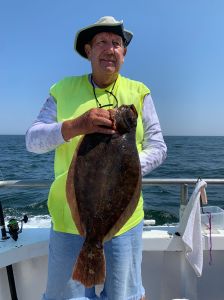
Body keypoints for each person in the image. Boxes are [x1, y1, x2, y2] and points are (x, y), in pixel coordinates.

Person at [26, 16, 167, 300]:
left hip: (124, 223)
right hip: (68, 221)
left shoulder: (140, 92)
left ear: (123, 54)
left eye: (116, 44)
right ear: (88, 51)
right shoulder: (62, 89)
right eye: (101, 42)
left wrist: (122, 167)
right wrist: (76, 126)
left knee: (124, 296)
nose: (110, 48)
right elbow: (32, 140)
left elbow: (159, 147)